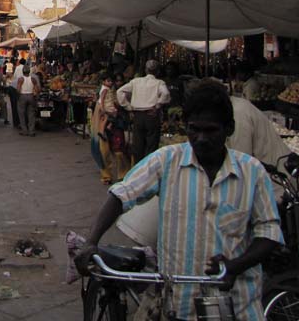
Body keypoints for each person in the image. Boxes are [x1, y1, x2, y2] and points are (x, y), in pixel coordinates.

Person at [76, 79, 283, 321]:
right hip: (179, 306)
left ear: (229, 129)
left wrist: (236, 265)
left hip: (237, 306)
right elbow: (121, 195)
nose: (201, 138)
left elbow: (269, 232)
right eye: (194, 129)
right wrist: (91, 241)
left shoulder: (252, 172)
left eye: (211, 130)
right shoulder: (166, 161)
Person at [116, 59, 170, 163]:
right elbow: (166, 94)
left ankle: (138, 169)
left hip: (138, 116)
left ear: (146, 70)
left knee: (138, 145)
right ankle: (149, 168)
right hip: (152, 115)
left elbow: (120, 91)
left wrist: (128, 106)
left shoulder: (136, 81)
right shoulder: (159, 83)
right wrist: (158, 105)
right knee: (151, 145)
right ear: (157, 71)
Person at [92, 73, 129, 184]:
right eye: (114, 81)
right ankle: (106, 176)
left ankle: (123, 174)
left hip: (117, 126)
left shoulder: (122, 94)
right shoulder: (106, 92)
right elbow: (101, 106)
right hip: (103, 123)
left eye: (119, 81)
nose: (116, 83)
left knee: (119, 151)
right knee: (104, 151)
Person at [16, 64, 40, 136]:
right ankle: (31, 131)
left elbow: (18, 90)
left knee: (21, 114)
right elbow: (37, 89)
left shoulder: (20, 79)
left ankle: (24, 131)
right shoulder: (33, 79)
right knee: (31, 114)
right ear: (29, 72)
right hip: (31, 96)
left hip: (23, 96)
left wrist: (18, 96)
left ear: (23, 72)